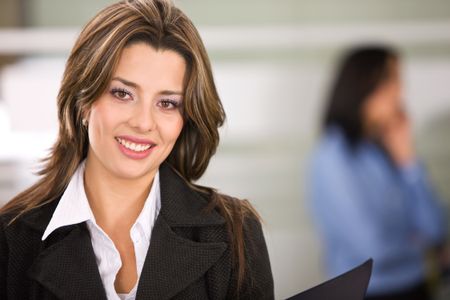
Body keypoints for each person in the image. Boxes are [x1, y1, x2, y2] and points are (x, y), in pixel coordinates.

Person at [0, 0, 274, 299]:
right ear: (83, 101)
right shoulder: (10, 241)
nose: (144, 123)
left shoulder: (235, 233)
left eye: (167, 103)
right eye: (122, 93)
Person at [308, 46, 447, 300]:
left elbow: (436, 227)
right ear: (363, 85)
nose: (400, 92)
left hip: (418, 286)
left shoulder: (388, 147)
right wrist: (426, 247)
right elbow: (374, 250)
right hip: (371, 293)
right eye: (392, 79)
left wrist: (409, 162)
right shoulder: (332, 157)